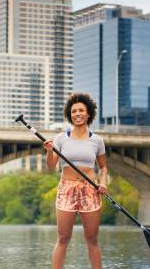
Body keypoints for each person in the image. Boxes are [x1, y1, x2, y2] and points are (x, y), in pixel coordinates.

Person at [43, 93, 108, 269]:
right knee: (63, 238)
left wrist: (103, 183)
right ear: (69, 115)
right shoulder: (60, 138)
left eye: (81, 110)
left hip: (90, 190)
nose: (77, 114)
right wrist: (49, 151)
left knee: (92, 239)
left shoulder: (97, 140)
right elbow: (50, 167)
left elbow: (103, 167)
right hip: (66, 189)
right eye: (73, 111)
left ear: (88, 114)